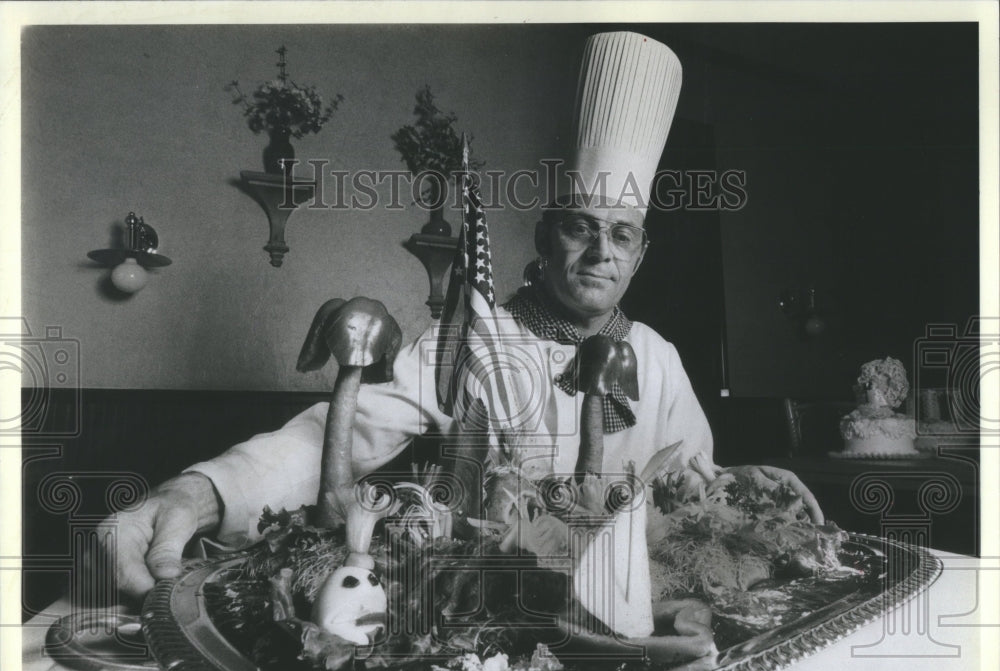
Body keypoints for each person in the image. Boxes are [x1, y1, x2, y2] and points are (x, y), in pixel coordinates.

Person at [98, 32, 823, 601]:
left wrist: (744, 479)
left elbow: (695, 479)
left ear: (640, 255)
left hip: (636, 604)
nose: (601, 250)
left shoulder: (658, 356)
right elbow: (334, 438)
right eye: (580, 227)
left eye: (622, 233)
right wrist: (199, 493)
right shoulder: (468, 342)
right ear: (544, 237)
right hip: (496, 608)